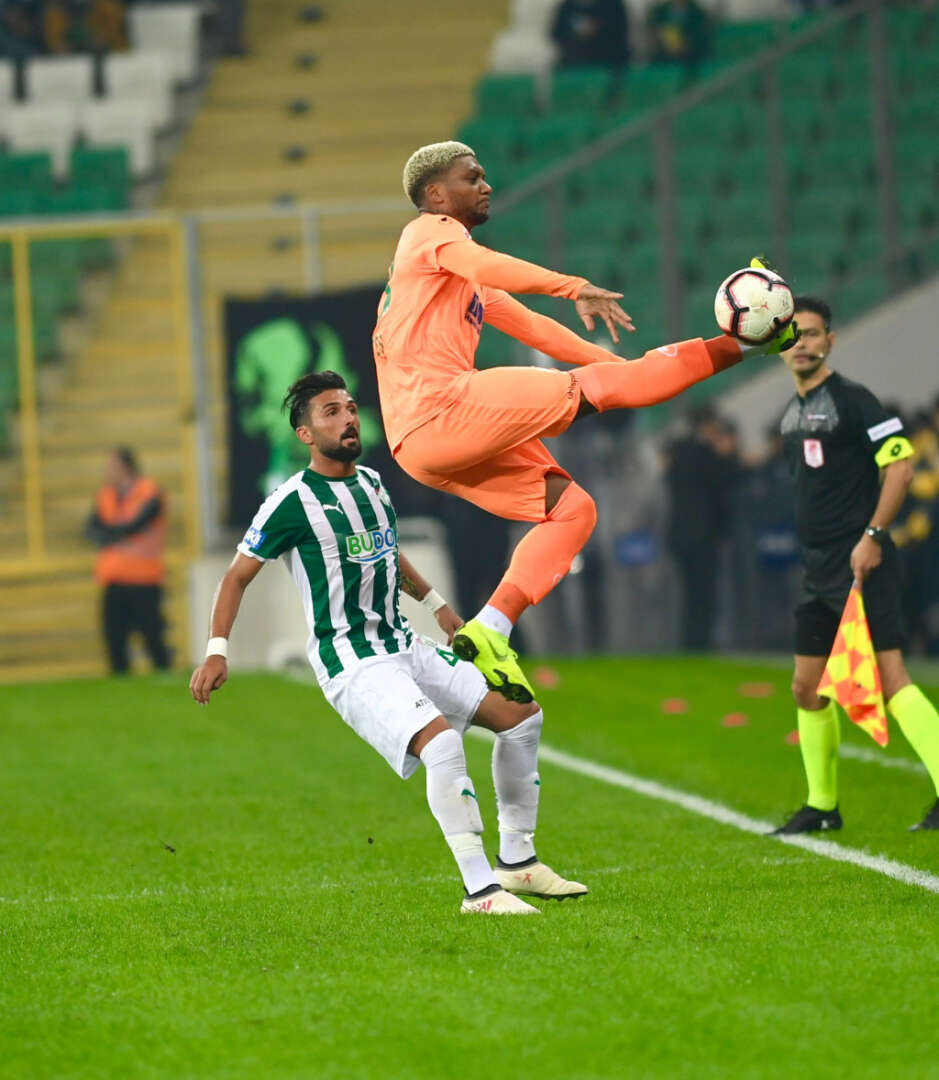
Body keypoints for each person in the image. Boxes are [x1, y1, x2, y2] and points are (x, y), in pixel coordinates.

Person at [372, 143, 796, 702]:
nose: (485, 185)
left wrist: (622, 371)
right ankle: (749, 345)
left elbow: (537, 330)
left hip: (422, 446)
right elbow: (486, 263)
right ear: (435, 195)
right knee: (591, 399)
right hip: (440, 408)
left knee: (573, 510)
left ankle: (491, 628)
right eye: (471, 178)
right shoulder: (428, 233)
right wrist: (572, 286)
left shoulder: (448, 275)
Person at [189, 370, 587, 915]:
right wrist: (216, 650)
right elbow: (236, 576)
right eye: (331, 412)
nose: (348, 419)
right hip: (352, 661)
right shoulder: (290, 502)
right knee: (442, 746)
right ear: (305, 434)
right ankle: (480, 891)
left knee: (522, 717)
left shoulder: (374, 484)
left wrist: (438, 605)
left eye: (350, 408)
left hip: (404, 644)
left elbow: (388, 554)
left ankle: (517, 862)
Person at [770, 296, 939, 834]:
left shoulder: (853, 400)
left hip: (863, 563)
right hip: (818, 570)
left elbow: (901, 464)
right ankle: (823, 806)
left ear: (830, 341)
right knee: (806, 686)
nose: (802, 344)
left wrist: (873, 536)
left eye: (812, 334)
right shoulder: (790, 414)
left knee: (891, 680)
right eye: (793, 335)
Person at [85, 446, 170, 675]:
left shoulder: (149, 492)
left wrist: (109, 534)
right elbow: (90, 529)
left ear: (126, 467)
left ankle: (164, 672)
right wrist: (115, 533)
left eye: (113, 466)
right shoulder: (106, 495)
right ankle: (121, 677)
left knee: (152, 635)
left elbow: (137, 524)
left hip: (144, 577)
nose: (108, 472)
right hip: (113, 577)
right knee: (114, 638)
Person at [663, 405, 732, 651]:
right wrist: (726, 457)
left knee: (689, 592)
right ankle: (702, 641)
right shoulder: (707, 454)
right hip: (703, 535)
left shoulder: (678, 452)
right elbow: (721, 486)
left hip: (679, 535)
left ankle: (690, 641)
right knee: (705, 591)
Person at [550, 0, 630, 71]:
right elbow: (556, 34)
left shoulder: (612, 5)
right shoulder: (567, 7)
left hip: (610, 65)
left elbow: (620, 33)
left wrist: (596, 30)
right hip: (574, 65)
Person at [647, 0, 711, 76]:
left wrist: (685, 45)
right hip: (663, 55)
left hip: (690, 57)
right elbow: (653, 31)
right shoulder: (660, 11)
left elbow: (700, 37)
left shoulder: (697, 13)